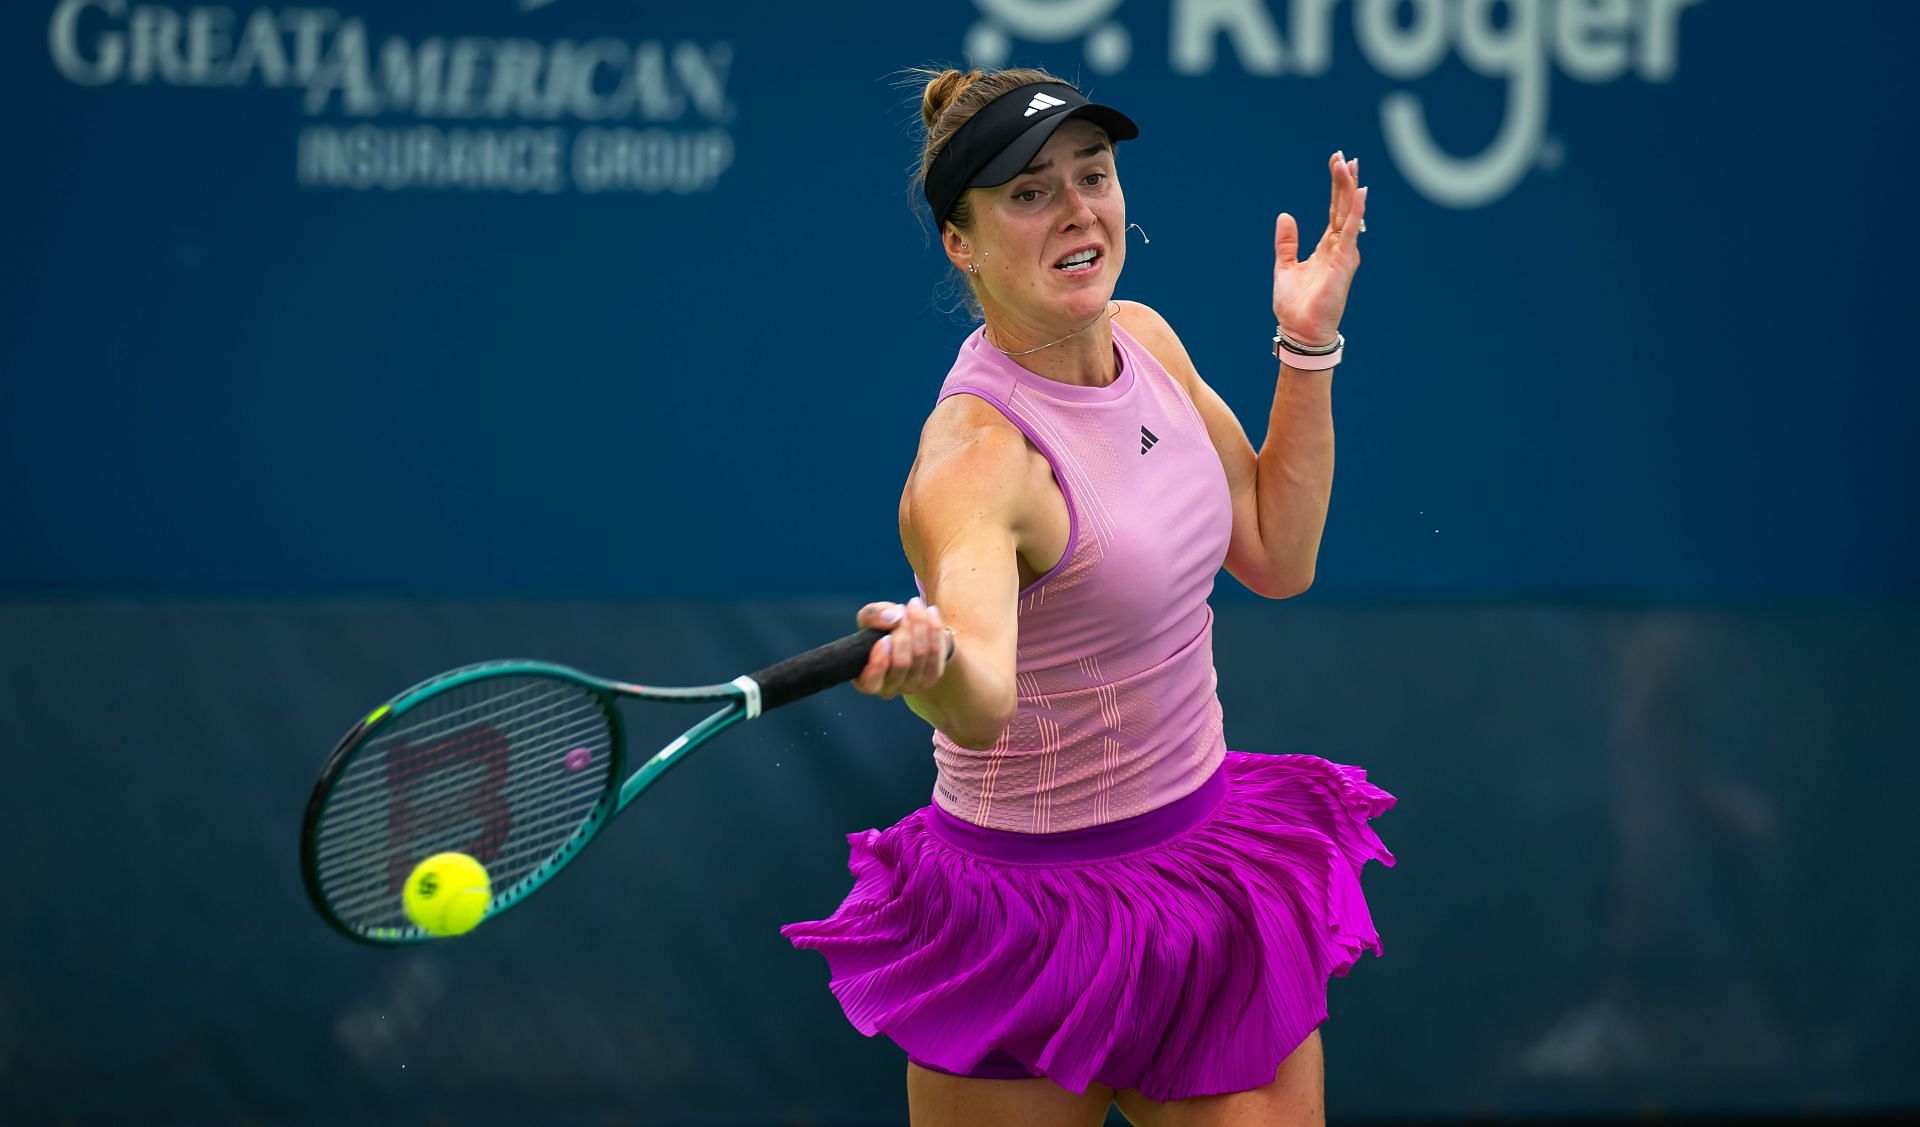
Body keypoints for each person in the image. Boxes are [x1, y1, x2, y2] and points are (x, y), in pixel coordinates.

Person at [782, 65, 1393, 1127]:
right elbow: (980, 692)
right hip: (1018, 920)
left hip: (1204, 878)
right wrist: (931, 670)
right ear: (960, 243)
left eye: (1092, 175)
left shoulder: (1147, 340)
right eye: (1029, 191)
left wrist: (1306, 346)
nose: (1076, 209)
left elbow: (1277, 552)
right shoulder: (973, 461)